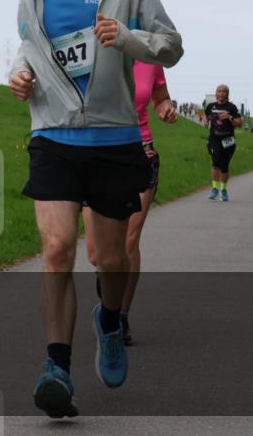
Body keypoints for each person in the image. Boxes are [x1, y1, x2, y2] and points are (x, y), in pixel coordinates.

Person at [8, 0, 183, 418]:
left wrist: (128, 38)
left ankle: (109, 320)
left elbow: (171, 44)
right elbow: (29, 48)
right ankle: (56, 368)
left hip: (113, 139)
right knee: (58, 248)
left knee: (110, 258)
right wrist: (19, 76)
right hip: (54, 136)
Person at [82, 61, 177, 346]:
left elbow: (161, 98)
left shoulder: (149, 57)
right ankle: (110, 302)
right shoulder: (92, 49)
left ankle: (120, 316)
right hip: (93, 155)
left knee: (127, 241)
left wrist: (165, 109)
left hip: (140, 153)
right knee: (97, 255)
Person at [203, 85, 243, 201]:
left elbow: (239, 123)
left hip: (228, 140)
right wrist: (206, 121)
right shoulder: (211, 106)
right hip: (214, 139)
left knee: (224, 166)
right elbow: (206, 116)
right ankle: (215, 189)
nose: (221, 93)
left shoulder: (232, 107)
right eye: (219, 91)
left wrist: (230, 117)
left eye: (224, 91)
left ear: (227, 94)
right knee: (216, 163)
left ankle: (223, 190)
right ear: (216, 93)